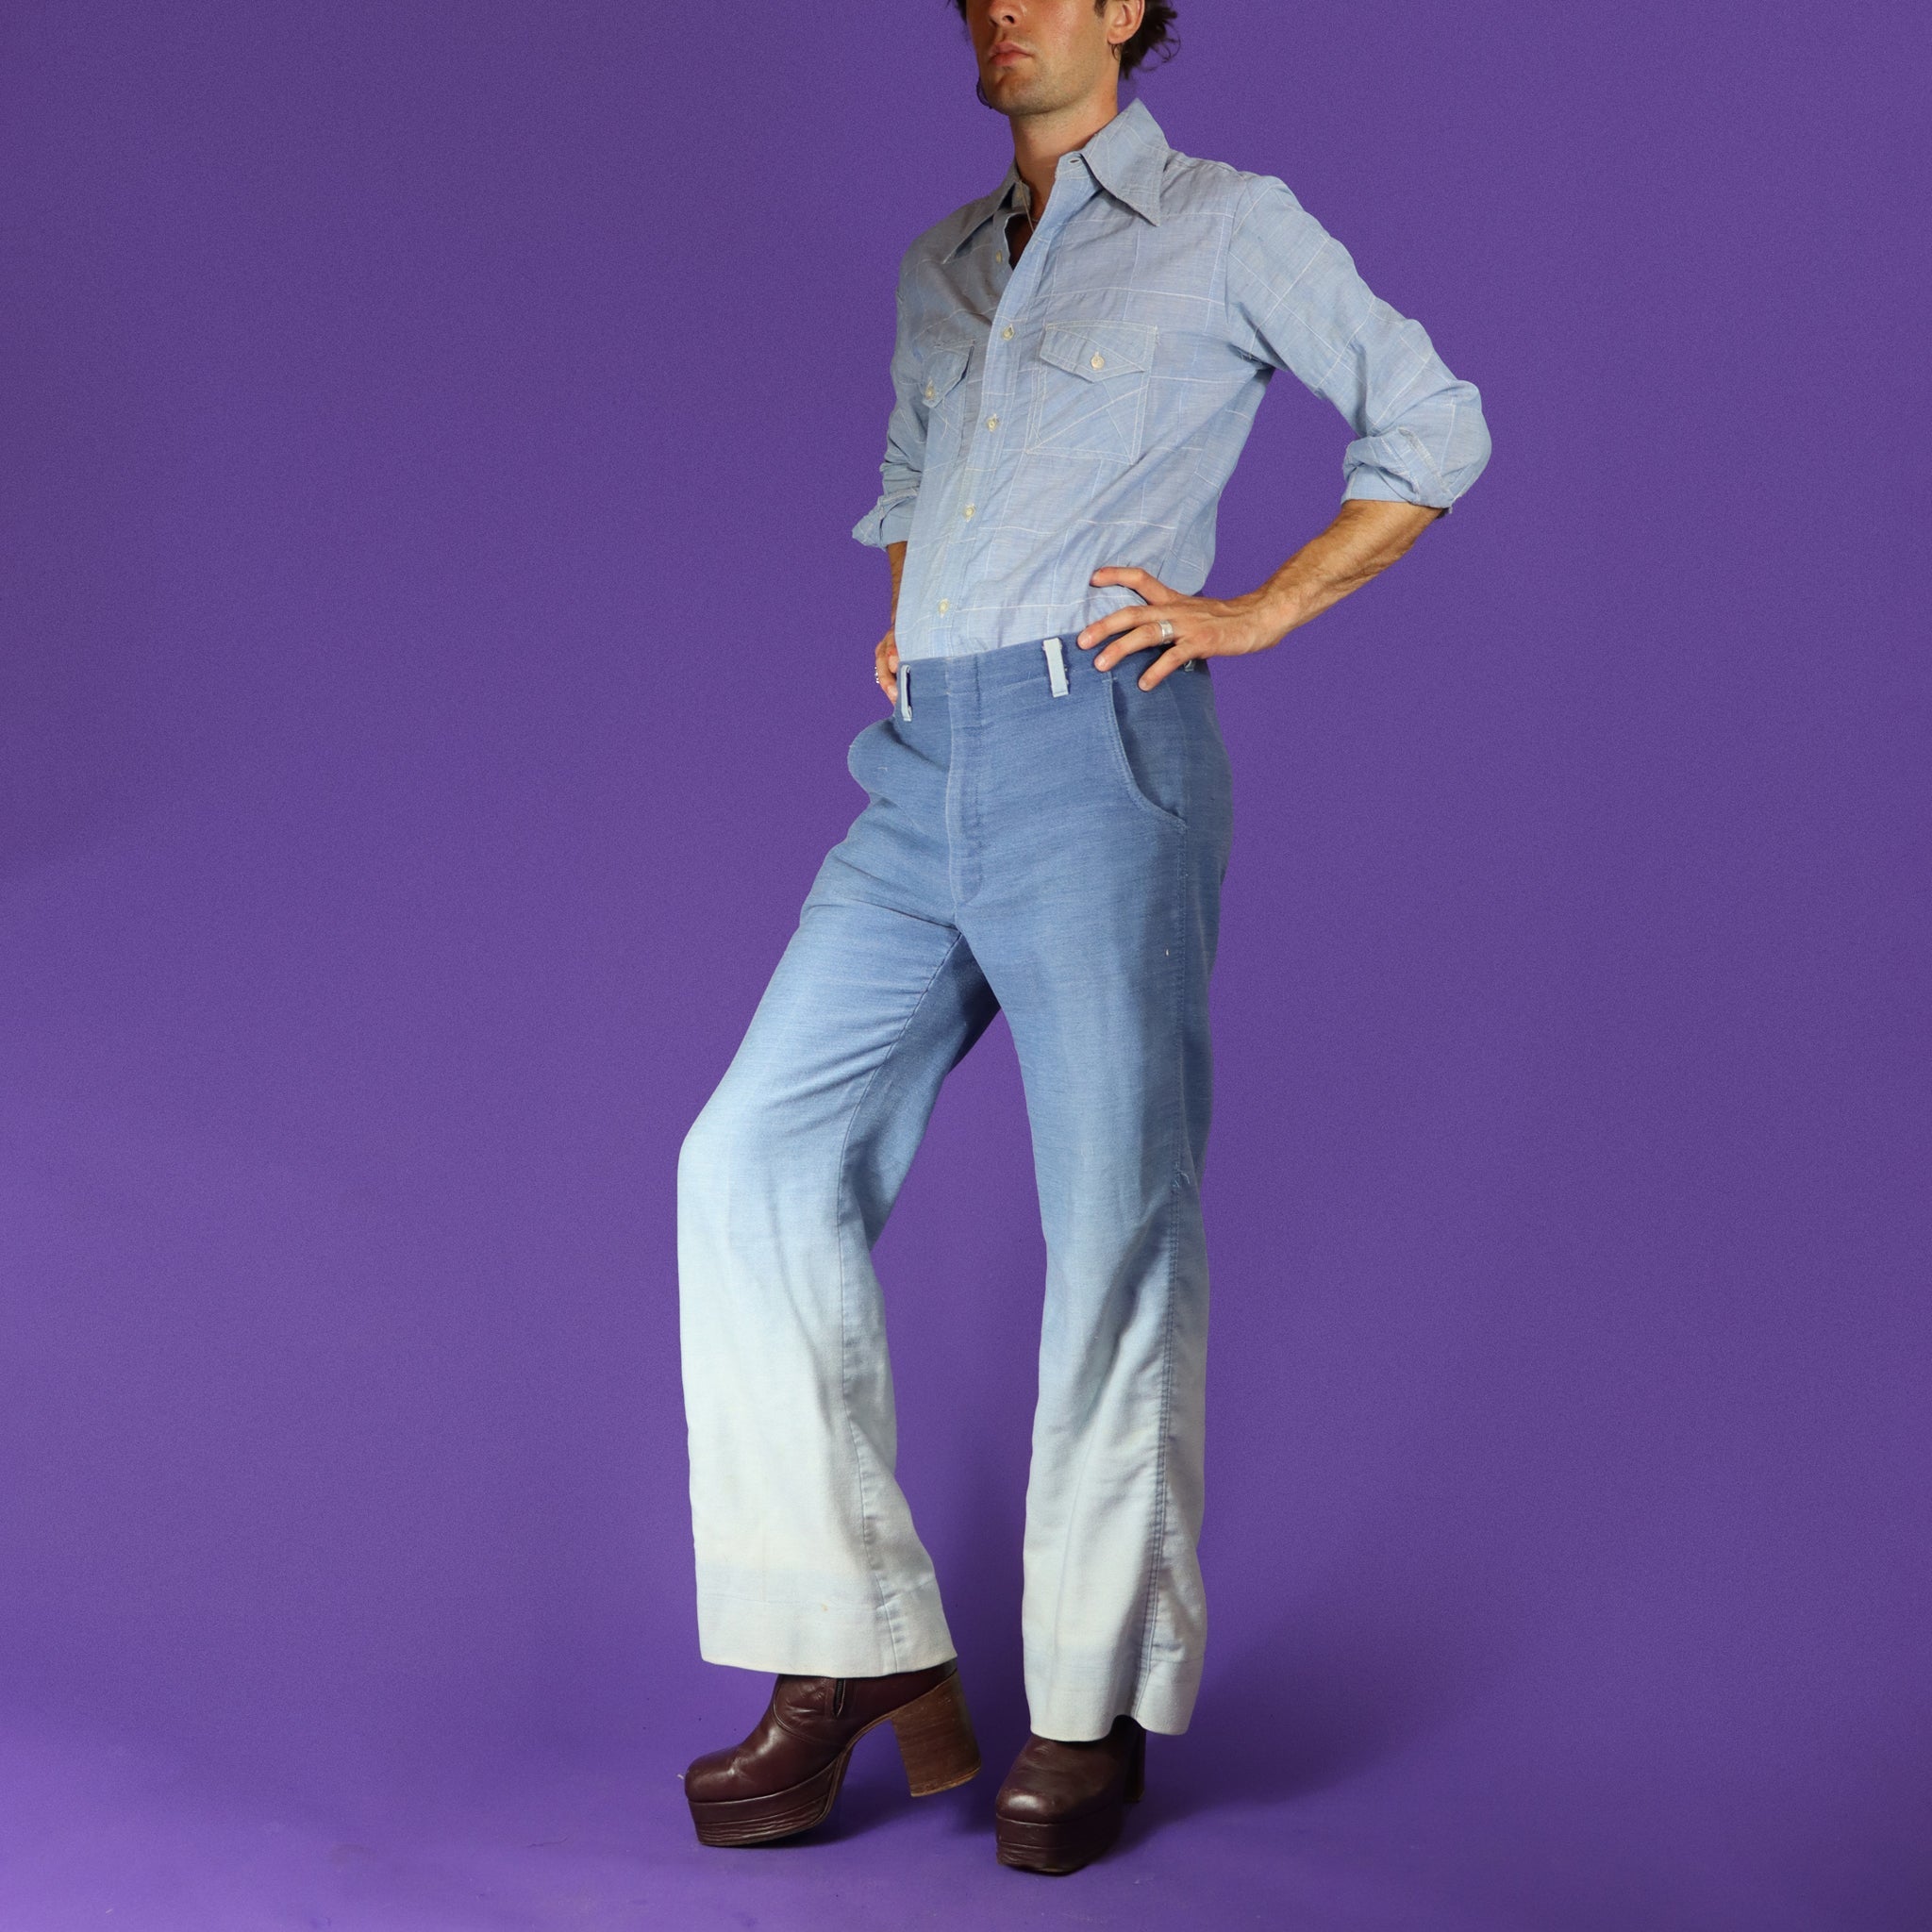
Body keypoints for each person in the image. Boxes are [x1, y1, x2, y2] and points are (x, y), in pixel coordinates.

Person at [675, 0, 1489, 1874]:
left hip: (1100, 751)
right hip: (924, 767)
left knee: (1115, 1218)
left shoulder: (1230, 222)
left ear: (1127, 10)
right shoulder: (941, 263)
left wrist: (1256, 608)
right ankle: (848, 1644)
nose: (1003, 10)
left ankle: (1084, 1705)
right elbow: (909, 486)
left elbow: (1432, 422)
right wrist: (918, 616)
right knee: (747, 1164)